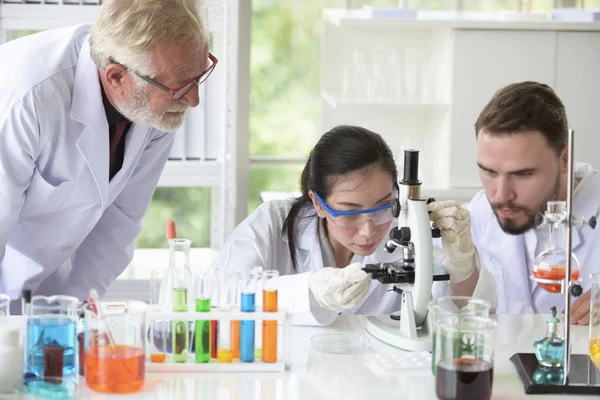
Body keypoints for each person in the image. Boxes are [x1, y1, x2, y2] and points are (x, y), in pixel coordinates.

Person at [0, 0, 216, 310]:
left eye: (198, 77)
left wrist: (77, 313)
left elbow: (121, 219)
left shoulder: (158, 104)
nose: (194, 99)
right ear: (116, 77)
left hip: (48, 290)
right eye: (181, 87)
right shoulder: (27, 98)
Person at [210, 125, 480, 325]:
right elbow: (220, 294)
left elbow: (453, 309)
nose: (368, 230)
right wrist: (308, 289)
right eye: (350, 213)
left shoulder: (407, 228)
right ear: (317, 203)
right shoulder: (272, 222)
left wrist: (461, 263)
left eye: (384, 206)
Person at [428, 81, 600, 324]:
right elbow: (460, 312)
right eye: (489, 172)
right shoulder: (479, 211)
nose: (501, 195)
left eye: (523, 174)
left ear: (564, 159)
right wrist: (461, 269)